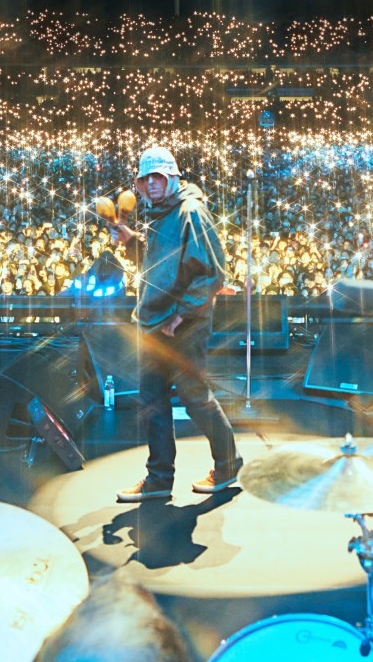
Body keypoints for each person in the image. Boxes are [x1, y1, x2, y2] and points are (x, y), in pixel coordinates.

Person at [108, 145, 241, 503]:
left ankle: (229, 464)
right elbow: (157, 265)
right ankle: (158, 480)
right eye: (144, 178)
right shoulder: (157, 213)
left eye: (157, 177)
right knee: (152, 401)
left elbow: (212, 272)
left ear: (172, 177)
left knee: (194, 396)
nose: (150, 184)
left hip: (183, 324)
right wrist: (131, 241)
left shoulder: (190, 212)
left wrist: (182, 314)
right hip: (154, 322)